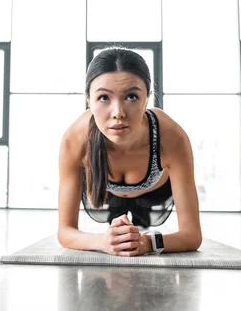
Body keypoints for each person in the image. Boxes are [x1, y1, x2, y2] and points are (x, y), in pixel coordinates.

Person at [57, 47, 202, 256]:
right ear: (89, 100)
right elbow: (64, 232)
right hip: (105, 193)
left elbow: (192, 235)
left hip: (155, 194)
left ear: (147, 99)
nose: (118, 113)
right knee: (118, 231)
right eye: (104, 98)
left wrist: (147, 242)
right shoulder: (75, 140)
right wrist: (103, 242)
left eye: (132, 97)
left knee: (138, 228)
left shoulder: (171, 137)